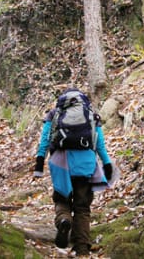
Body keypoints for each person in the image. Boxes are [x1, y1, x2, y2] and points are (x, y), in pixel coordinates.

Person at [33, 88, 112, 256]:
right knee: (82, 207)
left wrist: (39, 163)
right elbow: (99, 145)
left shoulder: (54, 113)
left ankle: (64, 219)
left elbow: (45, 140)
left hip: (60, 164)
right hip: (85, 165)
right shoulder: (91, 114)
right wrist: (107, 164)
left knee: (61, 199)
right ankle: (82, 248)